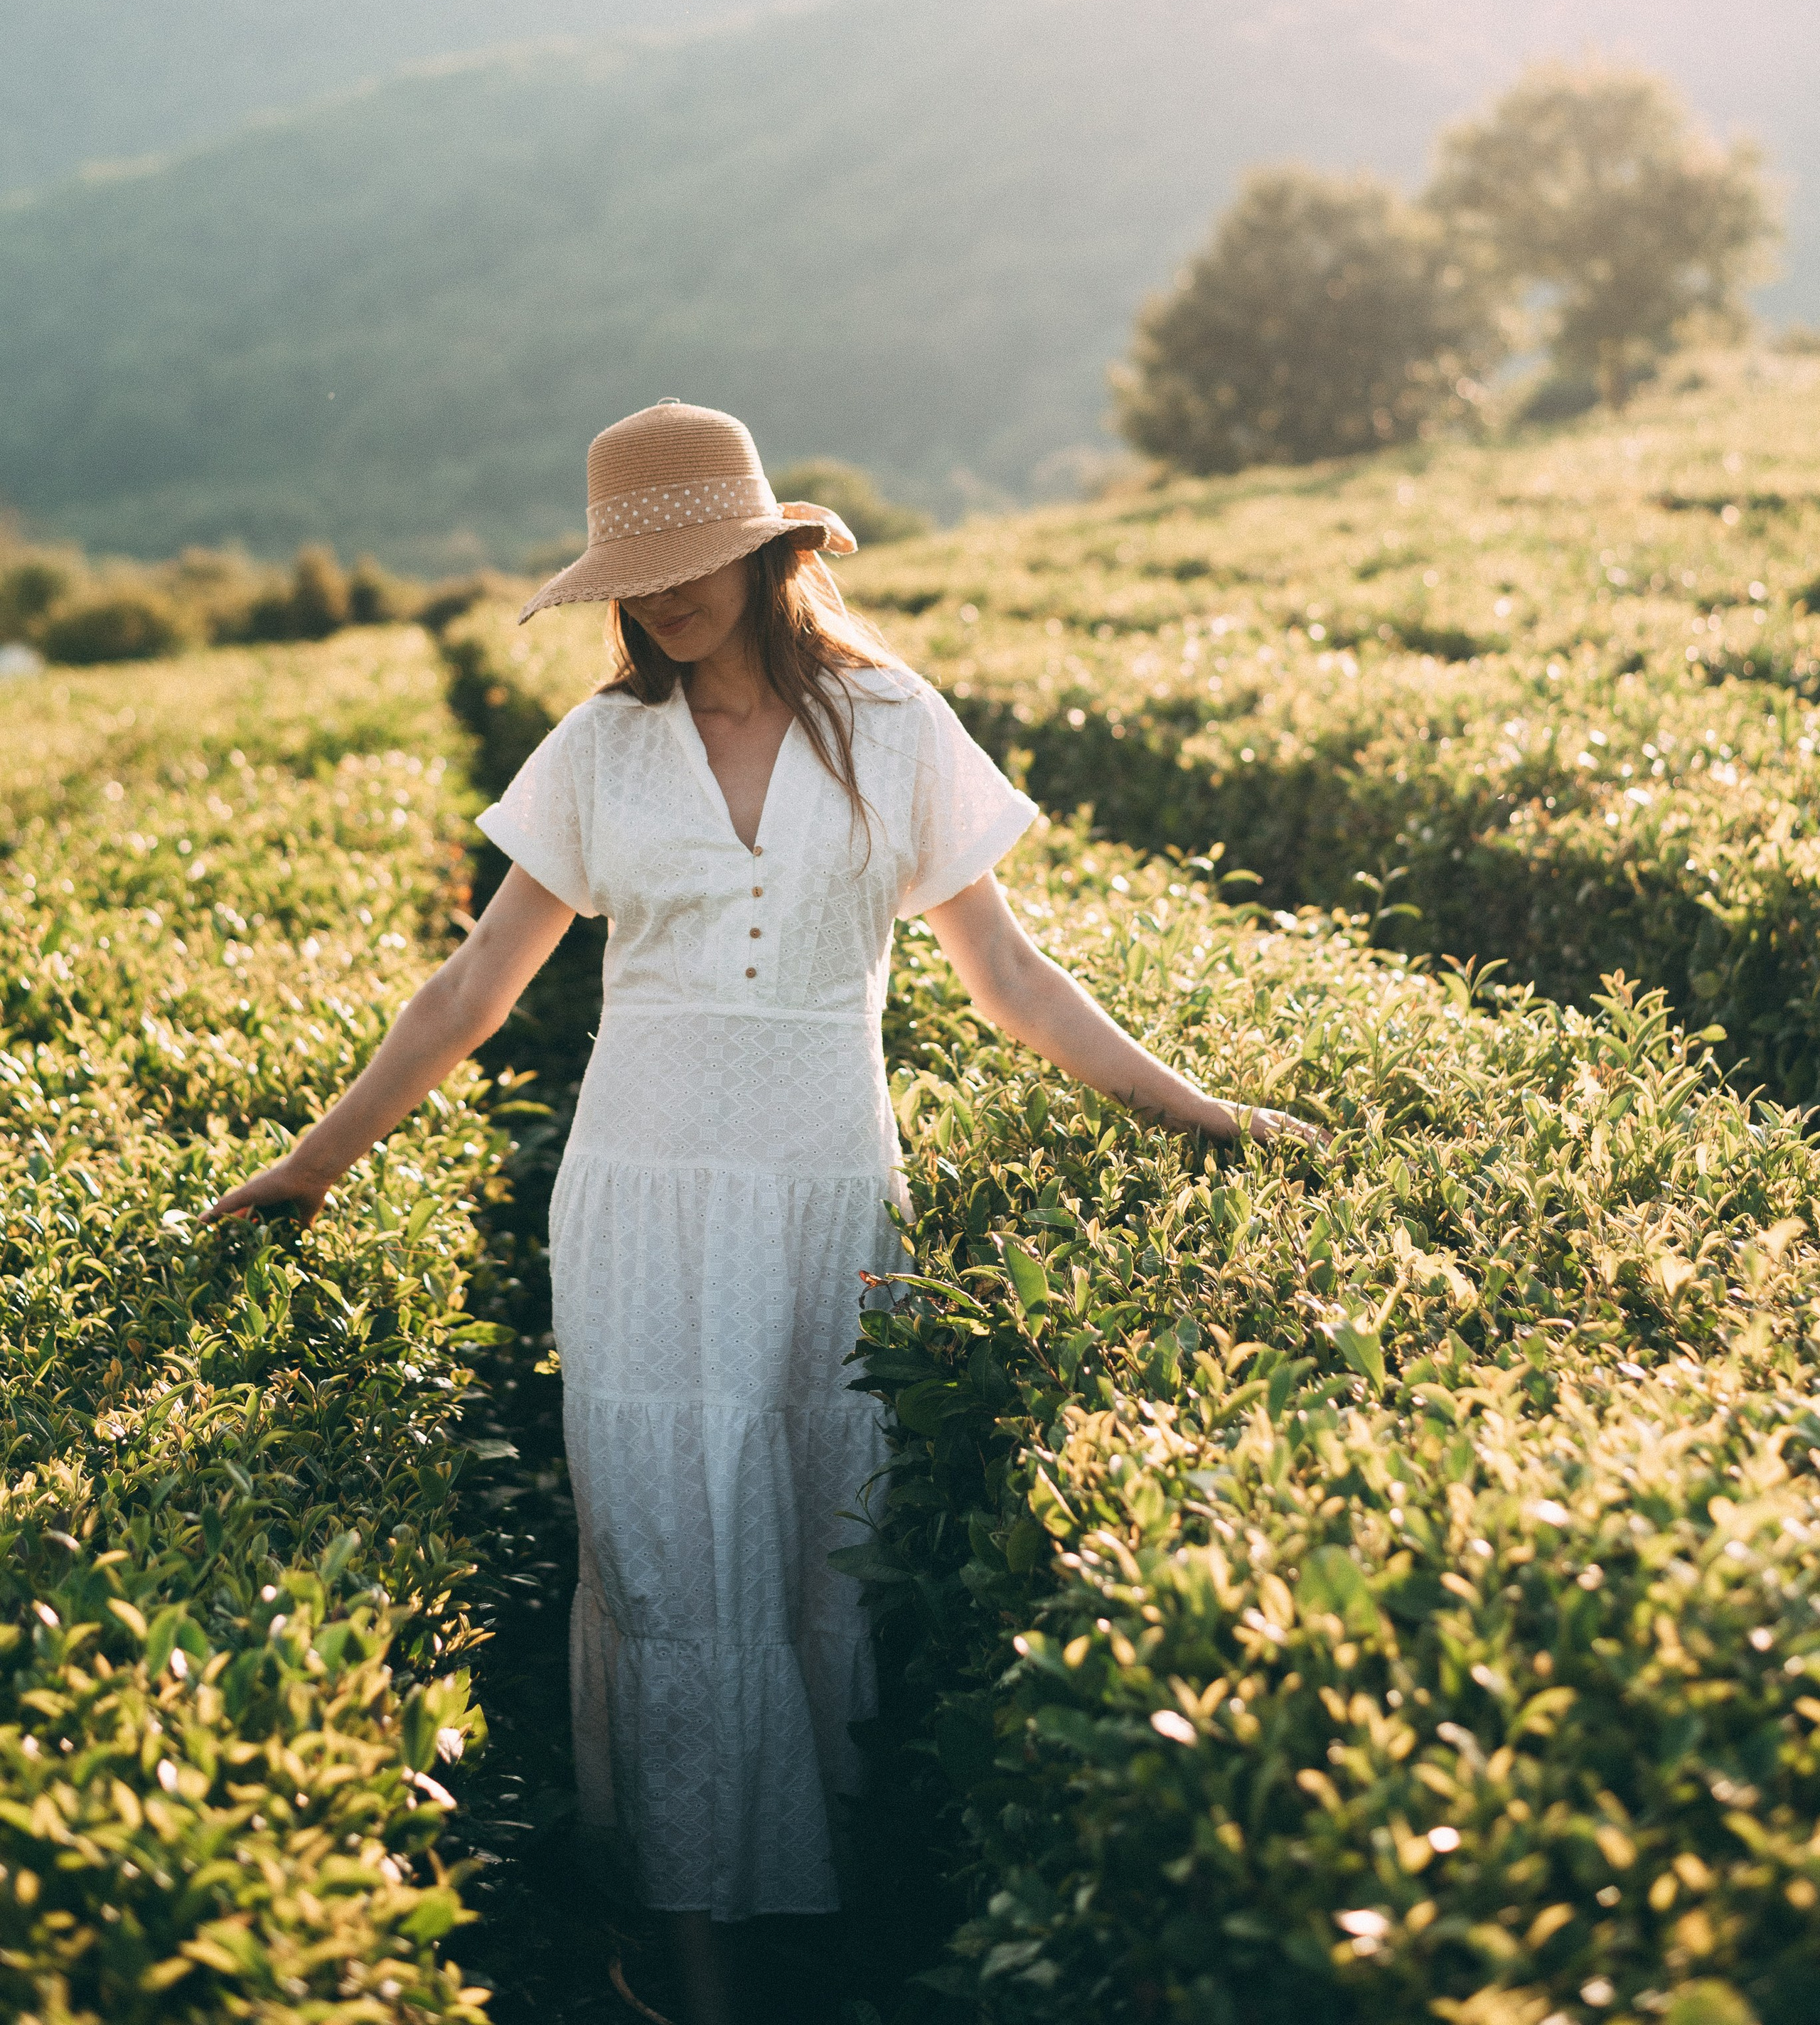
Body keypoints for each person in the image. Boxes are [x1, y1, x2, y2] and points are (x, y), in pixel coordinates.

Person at [205, 401, 1308, 2025]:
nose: (662, 597)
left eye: (691, 561)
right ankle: (695, 1962)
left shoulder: (890, 723)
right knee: (667, 1559)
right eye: (634, 574)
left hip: (822, 1193)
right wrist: (313, 1165)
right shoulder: (599, 750)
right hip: (640, 1198)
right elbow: (472, 989)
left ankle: (812, 1924)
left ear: (766, 550)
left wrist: (1202, 1112)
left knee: (811, 1547)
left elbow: (1009, 977)